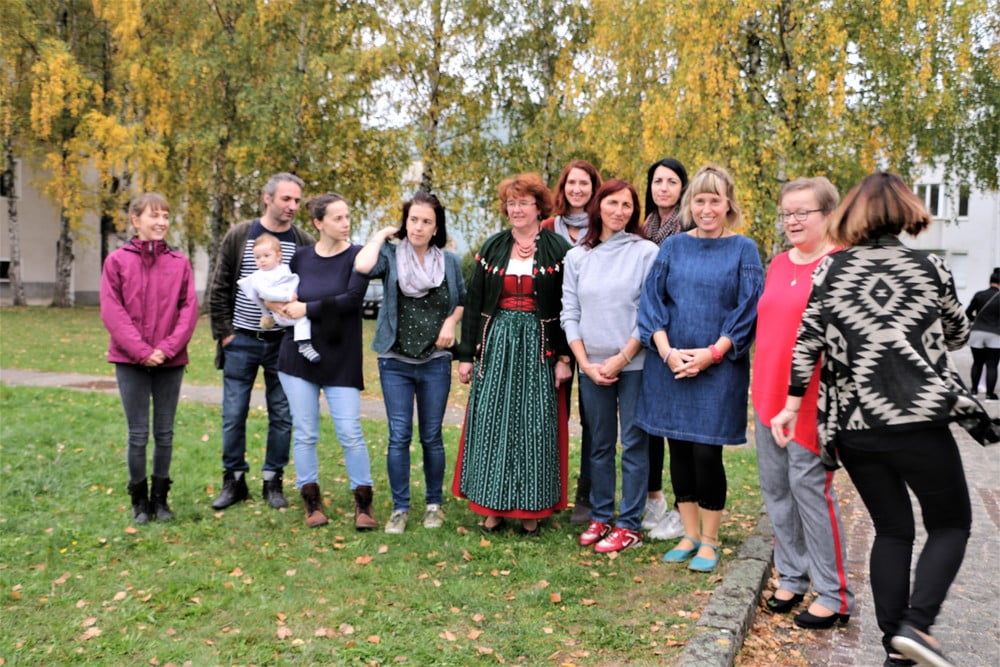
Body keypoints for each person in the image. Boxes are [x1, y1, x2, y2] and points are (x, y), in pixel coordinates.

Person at [771, 172, 972, 667]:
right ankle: (915, 627)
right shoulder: (930, 267)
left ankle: (895, 652)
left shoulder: (830, 271)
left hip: (856, 426)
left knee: (892, 529)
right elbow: (958, 334)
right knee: (950, 524)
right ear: (906, 211)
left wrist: (792, 406)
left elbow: (806, 345)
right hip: (919, 421)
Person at [637, 164, 763, 572]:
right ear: (690, 205)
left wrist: (713, 353)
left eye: (715, 201)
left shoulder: (743, 249)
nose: (706, 209)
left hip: (718, 369)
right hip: (670, 366)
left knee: (707, 453)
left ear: (728, 205)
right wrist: (667, 352)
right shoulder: (673, 247)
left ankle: (710, 540)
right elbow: (652, 302)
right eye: (700, 201)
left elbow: (748, 308)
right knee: (678, 451)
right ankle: (688, 533)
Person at [751, 177, 854, 629]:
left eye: (802, 212)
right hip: (767, 394)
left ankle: (834, 593)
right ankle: (792, 576)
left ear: (828, 214)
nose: (792, 221)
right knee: (776, 491)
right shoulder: (777, 264)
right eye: (786, 213)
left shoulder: (841, 265)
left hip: (812, 400)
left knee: (811, 492)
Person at [453, 173, 573, 536]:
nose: (516, 209)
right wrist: (466, 355)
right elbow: (474, 302)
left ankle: (531, 509)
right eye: (511, 203)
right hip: (497, 344)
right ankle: (491, 506)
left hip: (539, 346)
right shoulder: (493, 247)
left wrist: (563, 358)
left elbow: (569, 307)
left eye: (523, 202)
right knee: (492, 422)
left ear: (539, 207)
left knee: (534, 425)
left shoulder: (558, 249)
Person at [354, 191, 466, 534]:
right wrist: (379, 235)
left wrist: (450, 323)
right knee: (399, 436)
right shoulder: (390, 255)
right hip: (395, 361)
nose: (418, 227)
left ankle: (434, 505)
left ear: (436, 228)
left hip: (435, 360)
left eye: (426, 221)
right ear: (405, 222)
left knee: (431, 436)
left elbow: (462, 300)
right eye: (413, 219)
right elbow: (362, 266)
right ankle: (400, 508)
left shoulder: (449, 262)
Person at [208, 172, 314, 511]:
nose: (292, 206)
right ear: (267, 199)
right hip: (240, 341)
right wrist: (226, 334)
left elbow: (312, 288)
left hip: (283, 344)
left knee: (282, 414)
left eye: (297, 200)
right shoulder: (241, 235)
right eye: (286, 199)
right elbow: (220, 285)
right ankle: (234, 481)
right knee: (233, 413)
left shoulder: (303, 241)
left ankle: (273, 480)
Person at [561, 179, 658, 552]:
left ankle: (629, 523)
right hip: (592, 368)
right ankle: (601, 516)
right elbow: (570, 312)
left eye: (627, 205)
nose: (619, 211)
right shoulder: (577, 257)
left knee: (633, 443)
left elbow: (649, 313)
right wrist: (585, 363)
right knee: (599, 444)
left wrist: (622, 358)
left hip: (634, 365)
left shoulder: (645, 252)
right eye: (613, 203)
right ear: (598, 206)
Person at [274, 193, 376, 530]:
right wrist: (280, 307)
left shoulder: (358, 256)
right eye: (337, 218)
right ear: (318, 223)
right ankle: (311, 501)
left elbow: (352, 300)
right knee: (305, 433)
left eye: (347, 216)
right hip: (298, 358)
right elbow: (284, 294)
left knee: (350, 432)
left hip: (341, 359)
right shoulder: (300, 258)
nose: (345, 223)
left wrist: (307, 308)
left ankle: (364, 503)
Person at [100, 193, 198, 524]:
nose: (161, 222)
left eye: (166, 216)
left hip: (171, 361)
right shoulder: (117, 262)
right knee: (138, 434)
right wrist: (142, 351)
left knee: (165, 433)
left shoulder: (179, 263)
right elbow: (112, 311)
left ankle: (160, 499)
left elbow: (188, 311)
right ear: (135, 220)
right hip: (130, 361)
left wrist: (166, 349)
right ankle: (139, 500)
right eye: (154, 215)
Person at [542, 159, 603, 524]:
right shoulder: (548, 228)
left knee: (594, 418)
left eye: (584, 183)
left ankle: (587, 494)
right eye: (571, 183)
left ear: (594, 189)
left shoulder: (602, 228)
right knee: (551, 415)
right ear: (563, 188)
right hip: (554, 335)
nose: (577, 189)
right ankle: (547, 490)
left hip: (594, 334)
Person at [640, 157, 689, 541]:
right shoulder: (643, 229)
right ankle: (653, 496)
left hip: (681, 335)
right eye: (658, 181)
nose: (664, 188)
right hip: (646, 337)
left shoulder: (688, 228)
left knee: (679, 427)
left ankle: (682, 507)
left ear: (682, 188)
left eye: (672, 181)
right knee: (650, 424)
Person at [237, 233, 320, 363]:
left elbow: (293, 281)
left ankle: (306, 343)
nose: (262, 260)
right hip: (280, 313)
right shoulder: (258, 277)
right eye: (257, 257)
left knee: (305, 316)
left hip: (292, 305)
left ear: (278, 256)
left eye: (266, 256)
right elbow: (265, 293)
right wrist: (287, 296)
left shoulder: (283, 269)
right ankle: (304, 344)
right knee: (302, 319)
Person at [966, 267, 1000, 400]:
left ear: (990, 281)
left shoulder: (979, 294)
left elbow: (968, 313)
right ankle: (989, 395)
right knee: (992, 365)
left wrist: (976, 321)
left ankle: (974, 391)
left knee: (977, 362)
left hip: (977, 332)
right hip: (995, 334)